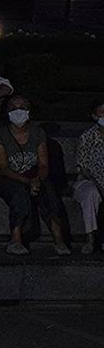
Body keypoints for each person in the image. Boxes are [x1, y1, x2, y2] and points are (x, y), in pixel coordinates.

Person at [0, 95, 70, 256]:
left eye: (22, 107)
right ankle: (16, 240)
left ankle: (59, 240)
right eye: (14, 107)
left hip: (33, 175)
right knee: (19, 195)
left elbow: (43, 164)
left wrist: (37, 180)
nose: (18, 110)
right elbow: (4, 167)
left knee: (49, 192)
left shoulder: (38, 133)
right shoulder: (0, 136)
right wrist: (28, 182)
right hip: (7, 177)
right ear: (7, 112)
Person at [73, 100, 104, 253]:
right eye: (102, 113)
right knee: (91, 193)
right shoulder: (87, 137)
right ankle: (90, 239)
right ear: (94, 116)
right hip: (89, 180)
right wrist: (99, 184)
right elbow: (83, 167)